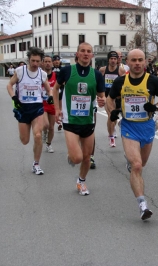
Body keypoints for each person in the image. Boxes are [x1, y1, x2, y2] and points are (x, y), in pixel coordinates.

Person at [107, 49, 158, 220]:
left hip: (147, 127)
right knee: (137, 166)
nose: (137, 63)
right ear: (127, 61)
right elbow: (110, 99)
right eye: (133, 60)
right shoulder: (120, 82)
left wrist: (155, 107)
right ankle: (142, 205)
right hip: (129, 127)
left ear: (145, 62)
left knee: (143, 163)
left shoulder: (153, 81)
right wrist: (112, 112)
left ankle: (131, 160)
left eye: (140, 60)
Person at [53, 43, 105, 196]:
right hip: (70, 121)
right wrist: (57, 109)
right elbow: (55, 89)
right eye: (83, 51)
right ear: (77, 54)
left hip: (88, 121)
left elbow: (102, 96)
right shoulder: (67, 71)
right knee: (77, 158)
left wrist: (102, 101)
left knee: (87, 158)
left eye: (89, 51)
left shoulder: (96, 75)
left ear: (92, 55)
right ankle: (72, 155)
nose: (86, 54)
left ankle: (81, 181)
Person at [6, 47, 54, 175]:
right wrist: (14, 98)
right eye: (33, 61)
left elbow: (49, 90)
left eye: (38, 61)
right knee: (25, 140)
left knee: (37, 135)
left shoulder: (42, 74)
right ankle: (29, 141)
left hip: (37, 107)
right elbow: (9, 85)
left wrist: (49, 97)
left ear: (41, 61)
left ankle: (36, 164)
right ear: (28, 59)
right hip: (22, 108)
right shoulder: (20, 71)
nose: (35, 64)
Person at [99, 51, 126, 147]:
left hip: (118, 97)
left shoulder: (121, 70)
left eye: (115, 59)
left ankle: (113, 127)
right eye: (111, 59)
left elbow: (125, 84)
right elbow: (98, 83)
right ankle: (111, 137)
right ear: (108, 60)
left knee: (114, 118)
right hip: (107, 97)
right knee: (111, 115)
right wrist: (100, 96)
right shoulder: (102, 70)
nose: (113, 60)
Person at [41, 55, 57, 153]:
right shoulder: (39, 75)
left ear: (52, 63)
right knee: (46, 125)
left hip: (53, 104)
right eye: (45, 61)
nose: (47, 63)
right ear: (42, 63)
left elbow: (60, 91)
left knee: (51, 127)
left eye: (49, 61)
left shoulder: (56, 76)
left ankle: (48, 144)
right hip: (42, 104)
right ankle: (44, 132)